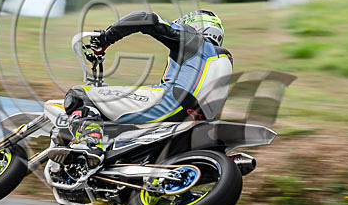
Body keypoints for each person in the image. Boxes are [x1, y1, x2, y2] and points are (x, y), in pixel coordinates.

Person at [49, 9, 233, 167]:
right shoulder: (223, 60)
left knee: (81, 95)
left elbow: (146, 18)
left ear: (194, 25)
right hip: (196, 120)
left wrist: (106, 38)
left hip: (169, 103)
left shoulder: (193, 38)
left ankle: (89, 144)